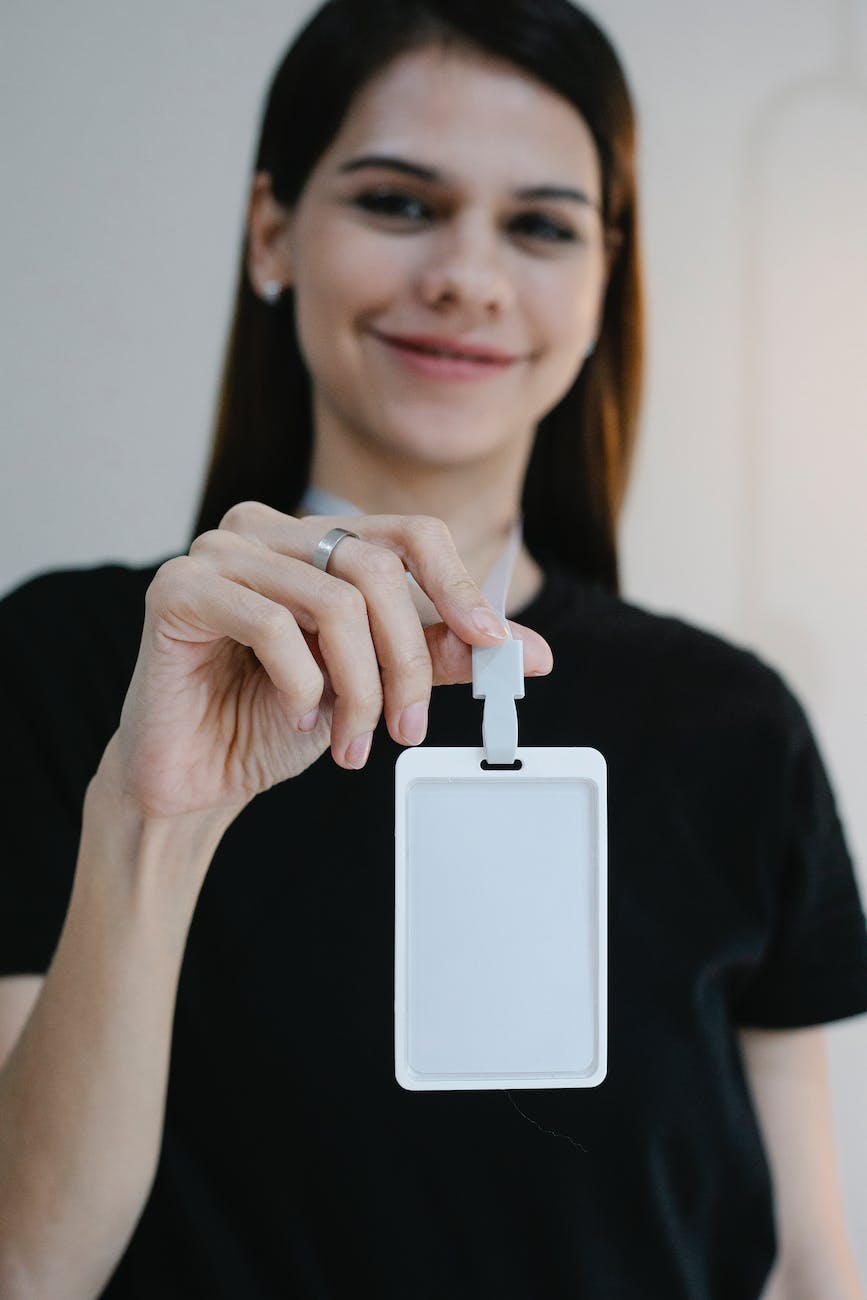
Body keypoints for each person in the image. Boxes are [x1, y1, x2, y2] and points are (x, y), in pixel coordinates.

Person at [1, 1, 865, 1296]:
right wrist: (150, 823)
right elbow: (25, 1265)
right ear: (271, 230)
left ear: (603, 282)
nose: (468, 274)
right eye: (399, 202)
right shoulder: (73, 667)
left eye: (541, 225)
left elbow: (806, 1265)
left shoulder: (736, 721)